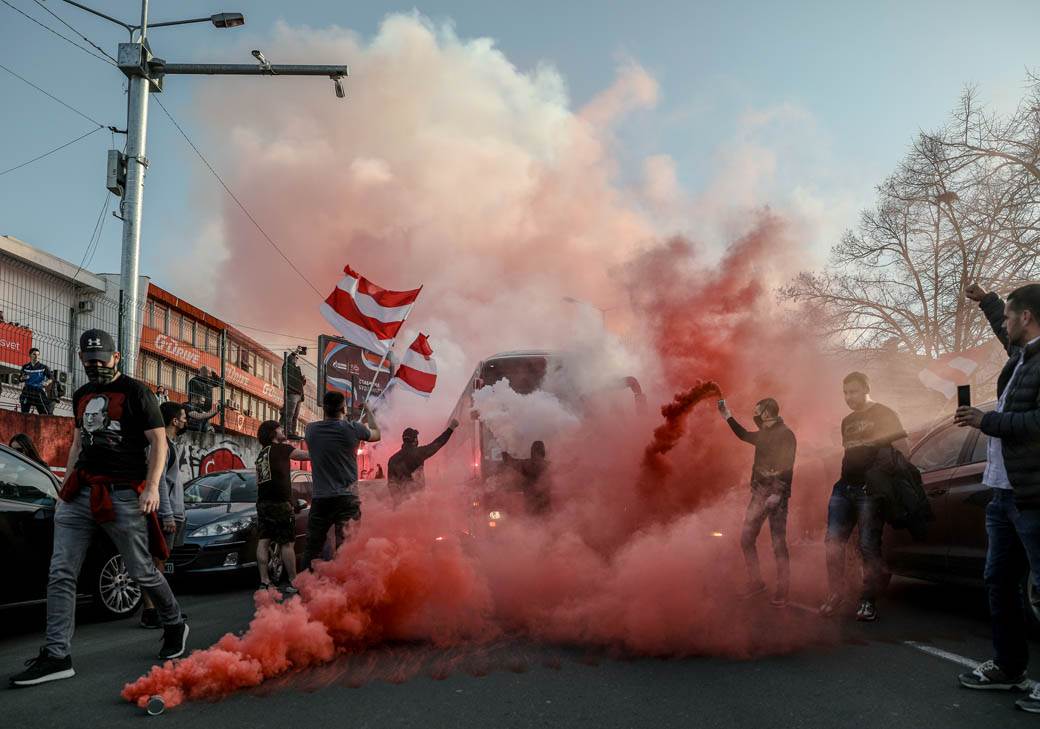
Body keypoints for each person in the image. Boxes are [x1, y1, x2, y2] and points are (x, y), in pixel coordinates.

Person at [9, 329, 188, 687]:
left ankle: (173, 621)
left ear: (116, 357)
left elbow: (159, 444)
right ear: (81, 360)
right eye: (89, 362)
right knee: (60, 572)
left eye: (101, 361)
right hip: (81, 493)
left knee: (141, 571)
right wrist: (65, 488)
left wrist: (151, 487)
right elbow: (78, 443)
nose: (96, 367)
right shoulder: (81, 395)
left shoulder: (137, 393)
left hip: (123, 493)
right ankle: (58, 654)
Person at [955, 283, 1040, 712]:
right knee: (1000, 583)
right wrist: (988, 301)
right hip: (1002, 494)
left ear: (1027, 318)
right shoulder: (1022, 357)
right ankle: (1010, 668)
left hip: (1033, 497)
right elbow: (1003, 332)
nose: (1003, 324)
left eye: (1009, 316)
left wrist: (986, 421)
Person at [818, 371, 907, 622]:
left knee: (868, 545)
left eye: (853, 391)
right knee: (832, 541)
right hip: (843, 488)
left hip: (869, 492)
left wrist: (880, 480)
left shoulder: (884, 414)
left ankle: (868, 600)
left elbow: (903, 450)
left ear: (866, 388)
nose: (848, 397)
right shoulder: (846, 421)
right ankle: (836, 593)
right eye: (845, 393)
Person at [718, 397, 797, 607]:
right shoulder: (764, 435)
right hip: (759, 495)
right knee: (746, 539)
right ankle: (756, 582)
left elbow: (788, 465)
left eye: (757, 411)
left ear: (767, 413)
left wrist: (778, 493)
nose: (754, 415)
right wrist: (728, 416)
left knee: (778, 543)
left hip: (776, 497)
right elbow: (744, 435)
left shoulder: (785, 434)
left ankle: (783, 590)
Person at [302, 392, 380, 569]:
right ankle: (345, 589)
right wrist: (368, 411)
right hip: (347, 498)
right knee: (347, 547)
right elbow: (376, 434)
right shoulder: (353, 428)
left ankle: (304, 588)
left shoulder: (311, 430)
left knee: (312, 548)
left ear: (324, 407)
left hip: (321, 498)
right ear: (343, 409)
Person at [139, 402, 189, 629]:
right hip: (163, 513)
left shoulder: (169, 445)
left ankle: (157, 610)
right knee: (156, 563)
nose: (186, 420)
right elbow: (158, 483)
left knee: (158, 563)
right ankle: (153, 611)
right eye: (183, 416)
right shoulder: (161, 446)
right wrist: (168, 515)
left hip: (170, 512)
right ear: (174, 420)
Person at [255, 419, 311, 594]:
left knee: (263, 541)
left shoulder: (261, 455)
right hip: (280, 503)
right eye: (279, 429)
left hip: (263, 503)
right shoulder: (283, 449)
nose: (282, 431)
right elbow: (305, 455)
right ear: (273, 433)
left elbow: (259, 481)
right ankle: (294, 581)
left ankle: (264, 581)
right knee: (287, 543)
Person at [386, 420, 459, 505]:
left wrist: (398, 502)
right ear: (415, 440)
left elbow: (391, 485)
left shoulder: (392, 459)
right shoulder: (419, 453)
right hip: (418, 502)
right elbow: (438, 443)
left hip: (400, 506)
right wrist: (451, 428)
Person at [502, 440, 552, 515]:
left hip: (530, 504)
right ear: (543, 451)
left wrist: (503, 449)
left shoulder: (526, 464)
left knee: (531, 524)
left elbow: (510, 461)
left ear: (532, 451)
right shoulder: (549, 465)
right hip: (546, 505)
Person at [185, 366, 220, 432]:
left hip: (205, 411)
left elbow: (219, 382)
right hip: (196, 409)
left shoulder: (208, 382)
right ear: (203, 373)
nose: (210, 376)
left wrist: (213, 373)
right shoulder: (194, 381)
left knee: (205, 430)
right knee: (198, 429)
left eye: (210, 374)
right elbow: (198, 393)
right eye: (209, 373)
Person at [19, 348, 53, 415]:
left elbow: (51, 378)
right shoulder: (25, 367)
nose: (36, 356)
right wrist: (23, 377)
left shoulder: (43, 367)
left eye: (38, 355)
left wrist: (47, 382)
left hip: (38, 391)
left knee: (45, 412)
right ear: (30, 355)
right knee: (24, 412)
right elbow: (20, 379)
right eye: (34, 354)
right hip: (27, 390)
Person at [283, 351, 306, 439]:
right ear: (291, 358)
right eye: (295, 358)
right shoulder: (287, 366)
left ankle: (292, 431)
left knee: (295, 415)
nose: (296, 360)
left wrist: (303, 380)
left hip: (299, 394)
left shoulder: (296, 369)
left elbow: (300, 383)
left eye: (296, 358)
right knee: (290, 413)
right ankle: (288, 431)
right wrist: (295, 352)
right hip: (292, 393)